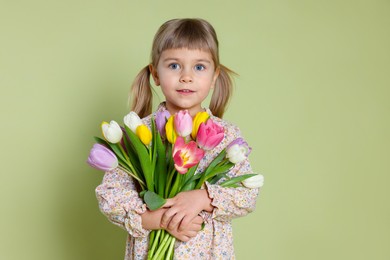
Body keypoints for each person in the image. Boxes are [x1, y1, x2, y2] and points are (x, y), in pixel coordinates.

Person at [96, 18, 260, 259]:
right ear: (155, 74)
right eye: (174, 66)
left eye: (199, 67)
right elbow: (110, 196)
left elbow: (247, 195)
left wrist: (202, 198)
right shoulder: (139, 134)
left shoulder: (226, 136)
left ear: (215, 76)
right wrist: (158, 220)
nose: (186, 77)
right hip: (151, 251)